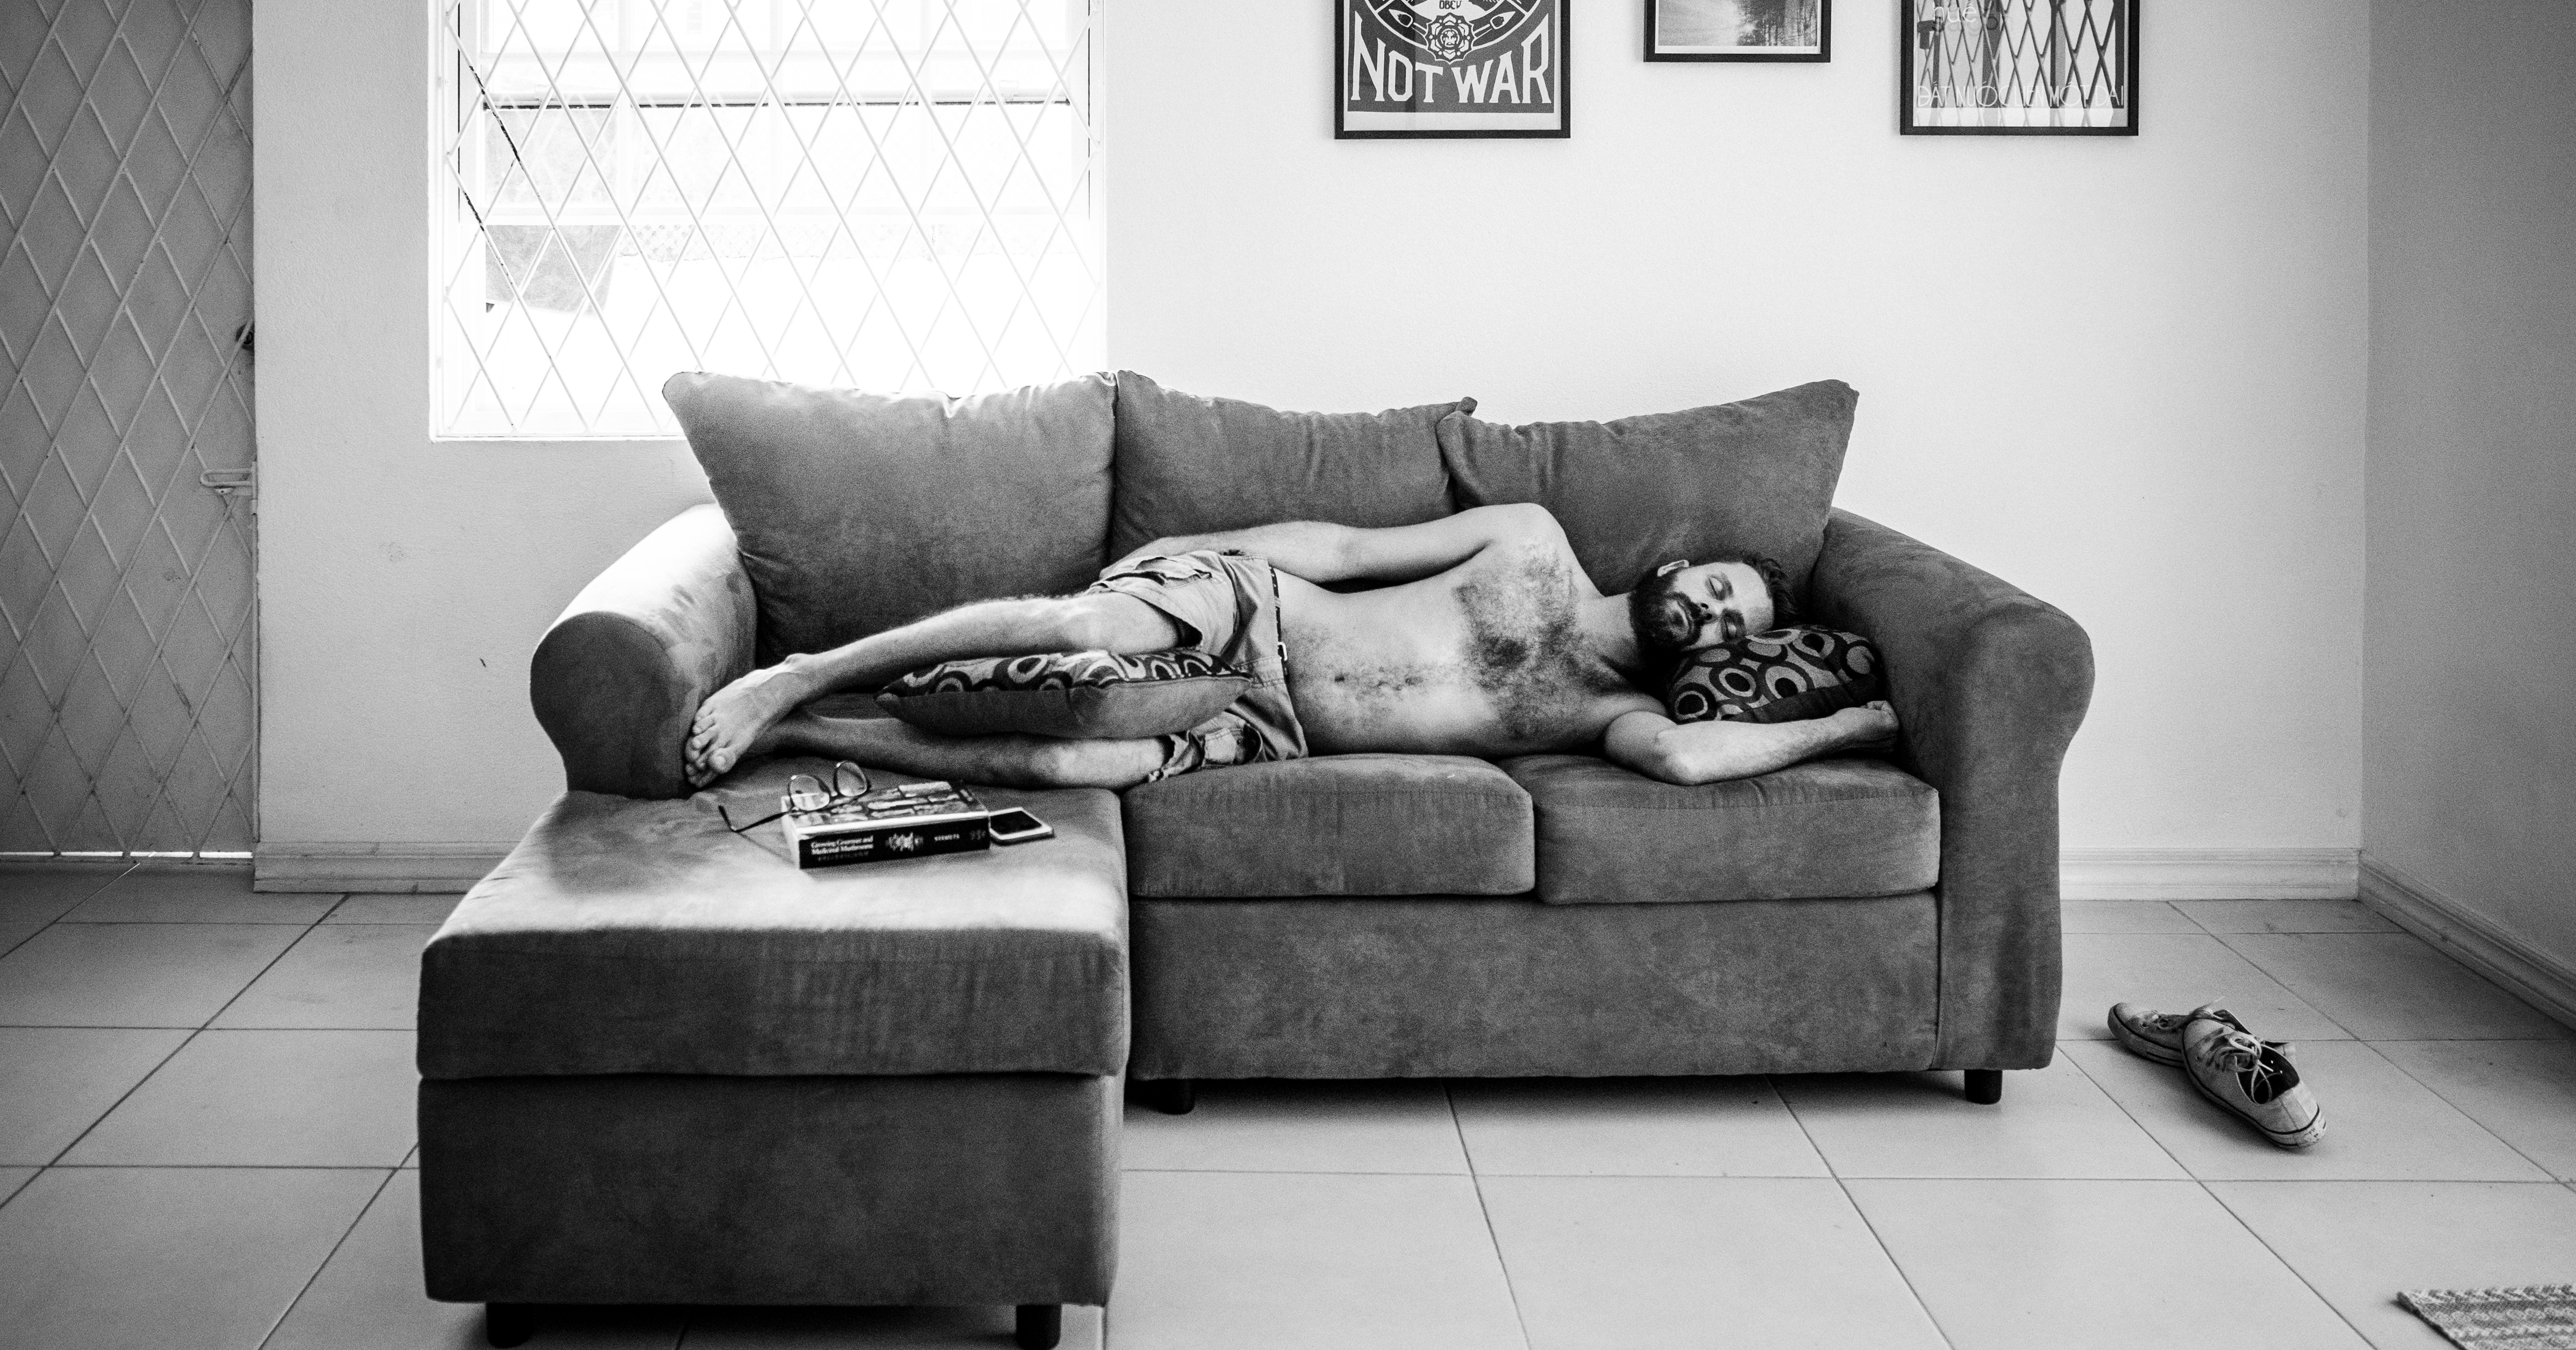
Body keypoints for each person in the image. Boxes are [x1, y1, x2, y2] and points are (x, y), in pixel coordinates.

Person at [684, 502, 1897, 791]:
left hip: (1272, 726)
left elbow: (1689, 764)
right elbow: (1347, 549)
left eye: (1739, 627)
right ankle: (802, 669)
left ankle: (802, 731)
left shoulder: (1601, 714)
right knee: (1079, 632)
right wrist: (1184, 551)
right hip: (1254, 606)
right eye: (1723, 589)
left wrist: (1855, 722)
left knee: (1085, 763)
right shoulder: (1531, 538)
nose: (1718, 617)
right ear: (1680, 563)